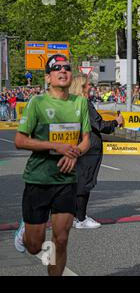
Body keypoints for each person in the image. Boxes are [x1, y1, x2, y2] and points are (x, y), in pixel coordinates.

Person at [13, 54, 91, 276]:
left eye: (66, 68)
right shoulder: (37, 103)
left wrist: (74, 153)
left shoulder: (81, 103)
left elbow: (86, 140)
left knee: (62, 238)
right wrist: (56, 146)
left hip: (66, 179)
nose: (63, 71)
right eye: (57, 68)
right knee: (35, 246)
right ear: (48, 77)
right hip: (39, 178)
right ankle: (24, 231)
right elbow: (20, 141)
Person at [69, 74, 124, 229]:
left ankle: (74, 216)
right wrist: (116, 122)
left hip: (77, 143)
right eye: (87, 85)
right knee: (85, 182)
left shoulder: (71, 102)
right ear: (81, 88)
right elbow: (99, 125)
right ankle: (81, 219)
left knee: (77, 181)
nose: (90, 87)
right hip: (89, 147)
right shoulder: (84, 103)